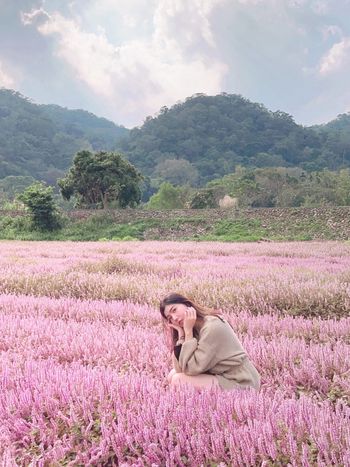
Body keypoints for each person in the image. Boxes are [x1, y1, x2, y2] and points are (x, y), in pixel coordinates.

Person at [160, 292, 261, 391]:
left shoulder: (212, 326)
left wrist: (188, 332)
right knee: (172, 374)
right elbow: (180, 369)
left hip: (241, 380)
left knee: (178, 380)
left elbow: (191, 369)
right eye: (170, 318)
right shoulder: (194, 328)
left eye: (174, 310)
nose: (175, 318)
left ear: (186, 304)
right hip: (221, 375)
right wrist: (182, 335)